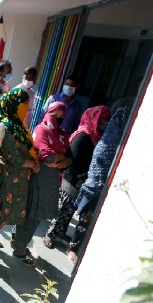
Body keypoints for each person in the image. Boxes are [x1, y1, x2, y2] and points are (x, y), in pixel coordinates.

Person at [0, 88, 39, 263]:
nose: (26, 107)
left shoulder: (18, 125)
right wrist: (31, 164)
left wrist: (34, 161)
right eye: (23, 104)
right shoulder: (4, 126)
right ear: (14, 105)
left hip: (17, 179)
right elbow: (11, 155)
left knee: (7, 212)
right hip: (4, 175)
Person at [68, 106, 130, 263]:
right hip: (94, 186)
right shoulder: (107, 142)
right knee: (85, 219)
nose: (105, 122)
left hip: (100, 186)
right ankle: (74, 247)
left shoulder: (105, 137)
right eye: (102, 119)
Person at [43, 105, 111, 249]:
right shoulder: (82, 136)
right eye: (101, 119)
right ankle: (50, 235)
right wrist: (82, 176)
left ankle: (61, 232)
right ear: (93, 118)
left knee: (70, 210)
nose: (104, 122)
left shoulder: (94, 137)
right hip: (72, 179)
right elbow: (72, 160)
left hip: (80, 180)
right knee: (63, 210)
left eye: (106, 119)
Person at [11, 102, 70, 265]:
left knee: (38, 216)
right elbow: (46, 155)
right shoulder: (41, 130)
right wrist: (58, 159)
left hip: (52, 181)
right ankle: (20, 249)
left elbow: (68, 157)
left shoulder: (62, 133)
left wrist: (58, 161)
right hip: (38, 179)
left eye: (62, 116)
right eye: (55, 115)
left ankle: (18, 240)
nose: (58, 119)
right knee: (32, 215)